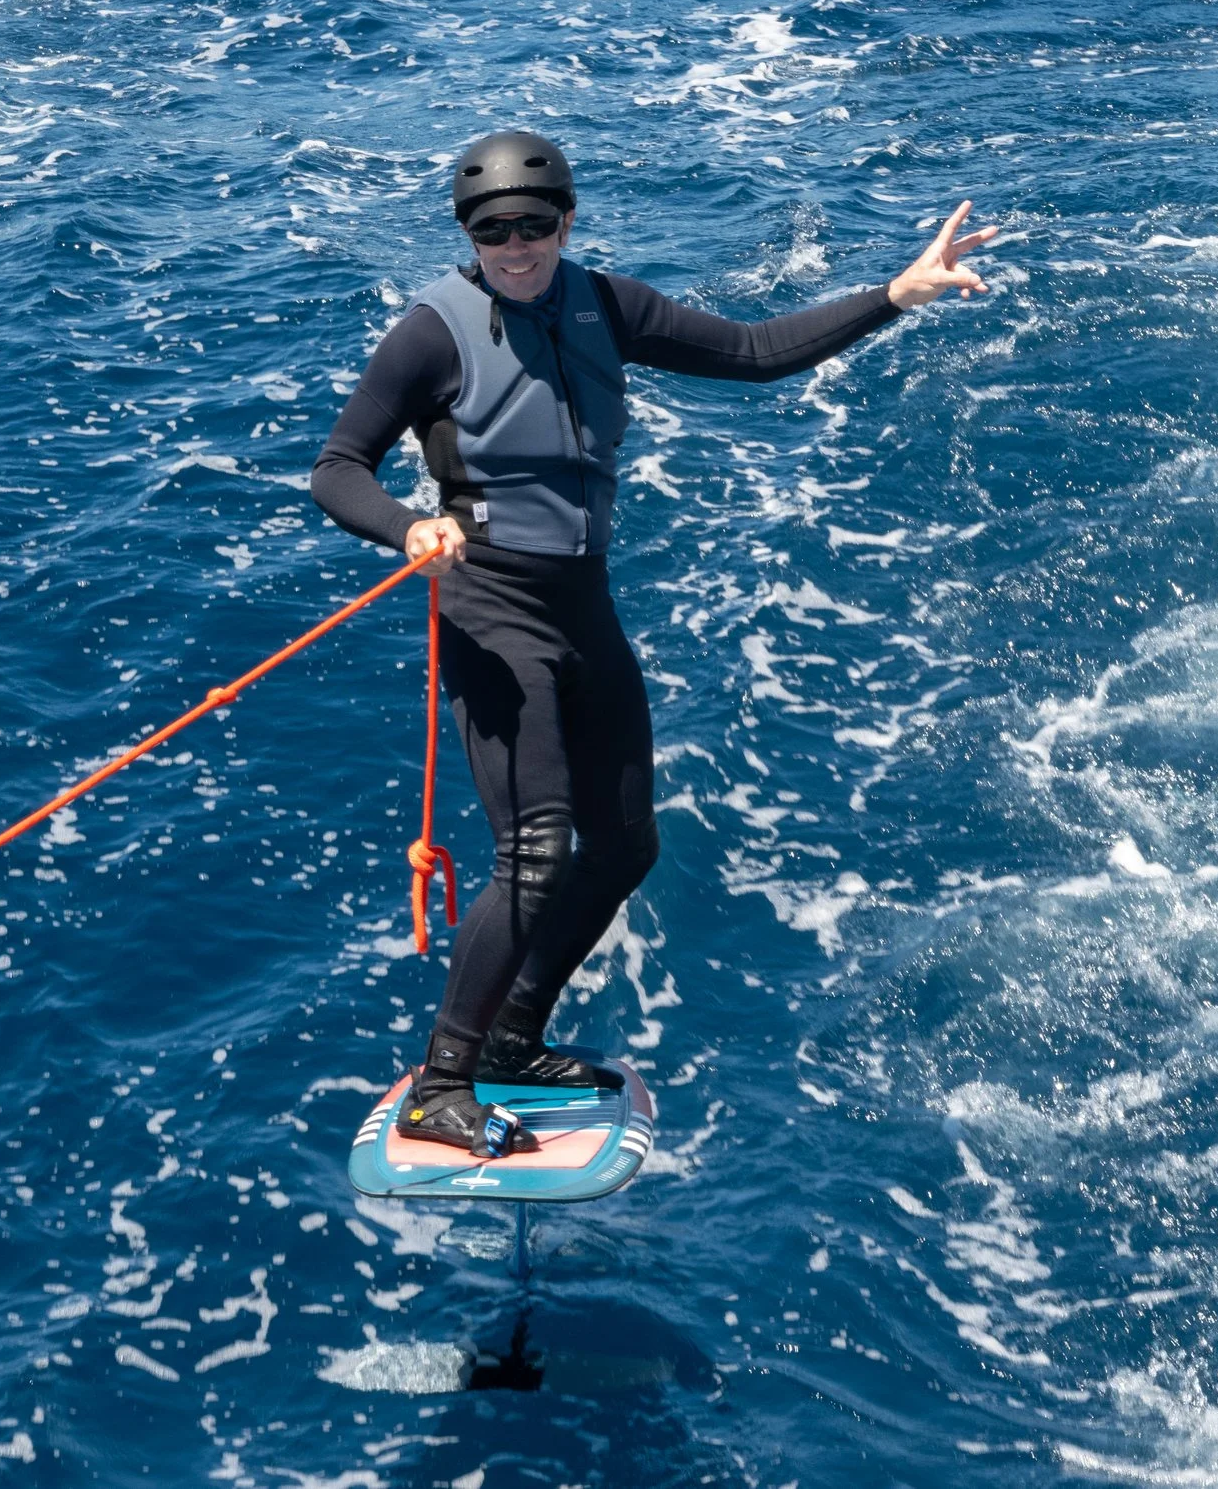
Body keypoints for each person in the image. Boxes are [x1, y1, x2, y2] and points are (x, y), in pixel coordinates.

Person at [311, 130, 996, 1156]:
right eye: (492, 231)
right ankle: (440, 1083)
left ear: (566, 221)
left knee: (626, 842)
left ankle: (512, 1038)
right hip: (491, 607)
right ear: (468, 235)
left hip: (581, 603)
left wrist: (895, 295)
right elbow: (337, 468)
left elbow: (755, 353)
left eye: (533, 226)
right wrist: (408, 526)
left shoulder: (606, 305)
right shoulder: (430, 333)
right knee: (534, 851)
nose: (515, 247)